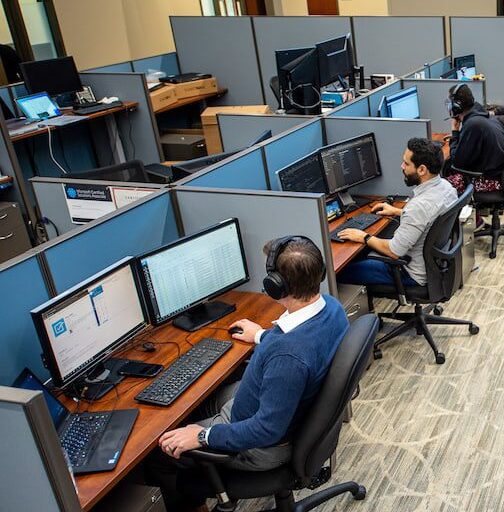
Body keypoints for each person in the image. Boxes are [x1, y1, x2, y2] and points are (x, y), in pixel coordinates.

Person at [145, 236, 348, 511]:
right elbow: (305, 349)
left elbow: (265, 429)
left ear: (274, 287)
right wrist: (261, 336)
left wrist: (202, 437)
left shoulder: (287, 357)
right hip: (282, 409)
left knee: (159, 452)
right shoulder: (331, 308)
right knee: (201, 401)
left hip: (262, 446)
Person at [336, 137, 458, 287]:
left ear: (422, 170)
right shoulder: (447, 188)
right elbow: (430, 216)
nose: (402, 166)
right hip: (432, 266)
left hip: (408, 273)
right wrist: (398, 211)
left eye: (406, 163)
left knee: (339, 271)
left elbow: (394, 252)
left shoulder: (418, 207)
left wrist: (364, 237)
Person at [444, 83, 504, 195]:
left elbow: (457, 163)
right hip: (499, 174)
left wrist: (455, 132)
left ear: (457, 106)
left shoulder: (473, 124)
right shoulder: (485, 116)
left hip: (489, 181)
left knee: (442, 186)